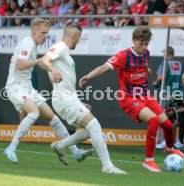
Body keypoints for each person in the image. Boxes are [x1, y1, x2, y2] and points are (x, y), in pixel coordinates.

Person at [79, 27, 184, 172]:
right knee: (154, 120)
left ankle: (169, 148)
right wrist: (88, 76)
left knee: (167, 125)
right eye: (141, 43)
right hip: (128, 97)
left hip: (145, 95)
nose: (144, 47)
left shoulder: (146, 53)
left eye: (146, 44)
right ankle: (148, 161)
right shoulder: (124, 56)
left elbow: (142, 65)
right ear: (134, 40)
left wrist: (146, 70)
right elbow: (104, 67)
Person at [3, 18, 93, 164]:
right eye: (42, 32)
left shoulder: (33, 45)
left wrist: (51, 70)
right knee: (34, 113)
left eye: (47, 33)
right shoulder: (27, 42)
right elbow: (20, 65)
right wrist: (39, 61)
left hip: (27, 87)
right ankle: (11, 148)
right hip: (16, 87)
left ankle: (76, 152)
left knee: (53, 118)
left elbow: (43, 63)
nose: (45, 36)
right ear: (33, 31)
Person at [42, 22, 126, 174]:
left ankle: (60, 146)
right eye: (78, 38)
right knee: (94, 125)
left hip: (68, 98)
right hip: (63, 99)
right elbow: (44, 61)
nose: (78, 41)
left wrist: (78, 102)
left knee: (90, 130)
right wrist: (53, 70)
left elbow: (66, 83)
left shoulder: (65, 54)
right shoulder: (60, 47)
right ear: (74, 36)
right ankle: (107, 166)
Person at [154, 46, 184, 149]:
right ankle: (174, 140)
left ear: (167, 54)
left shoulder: (165, 63)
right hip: (180, 93)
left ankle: (165, 140)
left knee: (164, 116)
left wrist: (156, 83)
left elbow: (160, 77)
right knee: (175, 118)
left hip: (167, 93)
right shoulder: (182, 64)